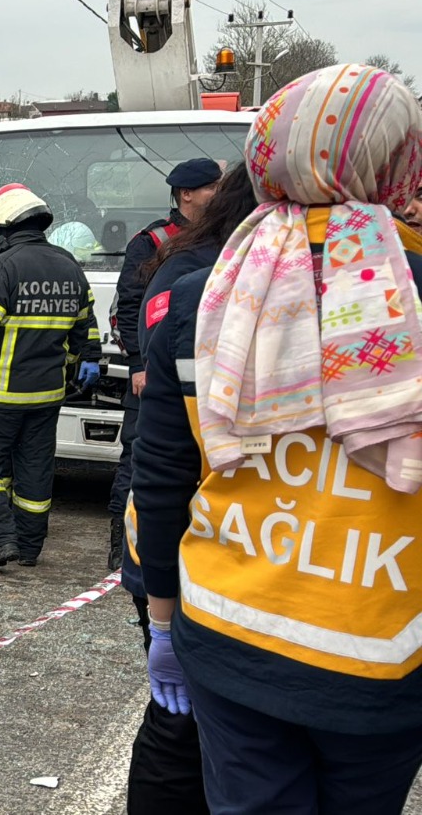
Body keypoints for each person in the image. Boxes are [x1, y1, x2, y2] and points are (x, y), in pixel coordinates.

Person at [135, 63, 422, 813]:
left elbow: (162, 480)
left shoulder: (207, 296)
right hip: (385, 651)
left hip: (229, 637)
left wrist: (162, 620)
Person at [118, 162, 256, 815]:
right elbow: (161, 455)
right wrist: (164, 611)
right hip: (200, 546)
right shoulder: (190, 273)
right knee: (181, 729)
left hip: (221, 548)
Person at [0, 183, 101, 570]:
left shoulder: (3, 266)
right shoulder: (68, 265)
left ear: (5, 230)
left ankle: (1, 540)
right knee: (35, 471)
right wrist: (68, 366)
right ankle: (30, 548)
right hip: (48, 396)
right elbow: (82, 331)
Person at [106, 156, 222, 570]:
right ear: (186, 194)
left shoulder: (227, 238)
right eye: (211, 187)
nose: (218, 193)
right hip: (153, 373)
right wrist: (139, 364)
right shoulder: (153, 242)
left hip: (206, 373)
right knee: (138, 460)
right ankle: (122, 552)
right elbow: (129, 307)